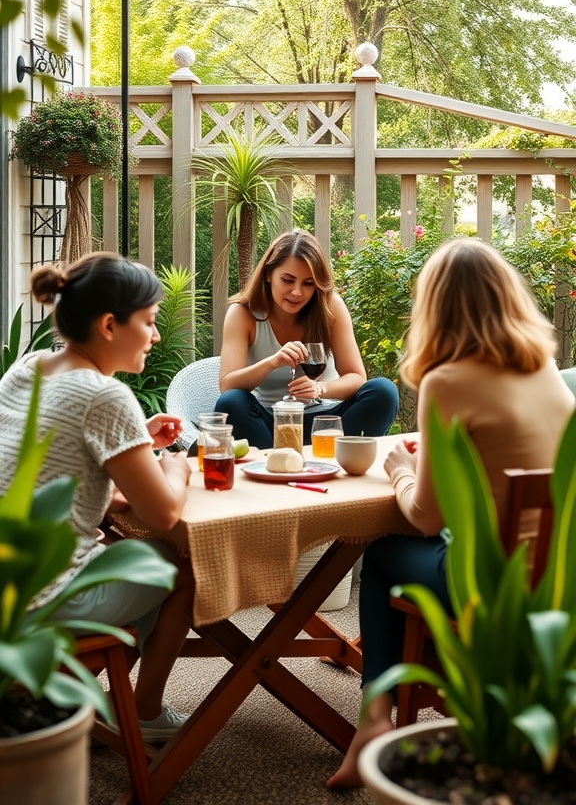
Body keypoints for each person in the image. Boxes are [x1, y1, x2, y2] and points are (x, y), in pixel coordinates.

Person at [328, 238, 575, 789]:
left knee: (386, 551)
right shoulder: (544, 369)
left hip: (493, 587)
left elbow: (421, 517)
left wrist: (398, 468)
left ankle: (372, 720)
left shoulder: (446, 380)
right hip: (563, 580)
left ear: (434, 306)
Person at [0, 252, 194, 742]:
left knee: (127, 553)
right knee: (186, 563)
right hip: (38, 600)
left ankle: (82, 700)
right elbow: (165, 512)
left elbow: (46, 466)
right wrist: (173, 467)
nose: (154, 336)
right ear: (110, 325)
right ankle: (142, 708)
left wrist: (135, 445)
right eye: (149, 322)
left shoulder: (28, 369)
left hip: (9, 575)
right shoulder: (104, 395)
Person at [214, 229, 398, 447]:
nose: (297, 292)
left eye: (308, 283)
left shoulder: (331, 307)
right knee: (231, 402)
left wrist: (320, 389)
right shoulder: (243, 313)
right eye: (288, 280)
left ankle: (328, 457)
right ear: (268, 274)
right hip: (266, 424)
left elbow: (356, 376)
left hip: (326, 422)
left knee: (384, 392)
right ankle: (275, 462)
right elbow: (227, 384)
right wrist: (273, 362)